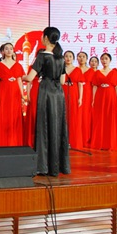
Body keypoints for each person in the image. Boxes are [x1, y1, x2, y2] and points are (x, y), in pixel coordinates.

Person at [23, 27, 70, 176]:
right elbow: (62, 81)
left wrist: (20, 77)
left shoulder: (42, 56)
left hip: (46, 92)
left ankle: (43, 166)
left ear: (46, 38)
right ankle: (58, 166)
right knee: (57, 126)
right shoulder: (61, 58)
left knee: (44, 127)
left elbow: (29, 78)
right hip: (59, 95)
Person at [90, 53, 117, 151]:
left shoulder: (114, 72)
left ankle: (111, 143)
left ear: (110, 60)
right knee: (100, 119)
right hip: (100, 96)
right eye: (102, 59)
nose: (104, 61)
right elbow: (95, 86)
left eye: (106, 59)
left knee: (111, 118)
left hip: (111, 96)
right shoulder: (97, 72)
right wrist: (93, 99)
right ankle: (100, 142)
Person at [0, 42, 25, 146]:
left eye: (11, 48)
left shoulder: (18, 65)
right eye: (6, 49)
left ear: (13, 50)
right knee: (4, 115)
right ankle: (3, 141)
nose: (8, 50)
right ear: (3, 51)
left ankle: (14, 141)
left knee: (15, 115)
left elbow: (19, 81)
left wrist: (22, 95)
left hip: (15, 92)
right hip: (4, 92)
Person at [63, 50, 84, 149]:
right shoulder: (61, 69)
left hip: (74, 94)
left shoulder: (77, 70)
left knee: (73, 117)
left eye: (70, 56)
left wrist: (80, 97)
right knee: (63, 116)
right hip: (62, 93)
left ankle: (73, 141)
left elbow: (80, 85)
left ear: (73, 58)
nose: (68, 58)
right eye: (66, 56)